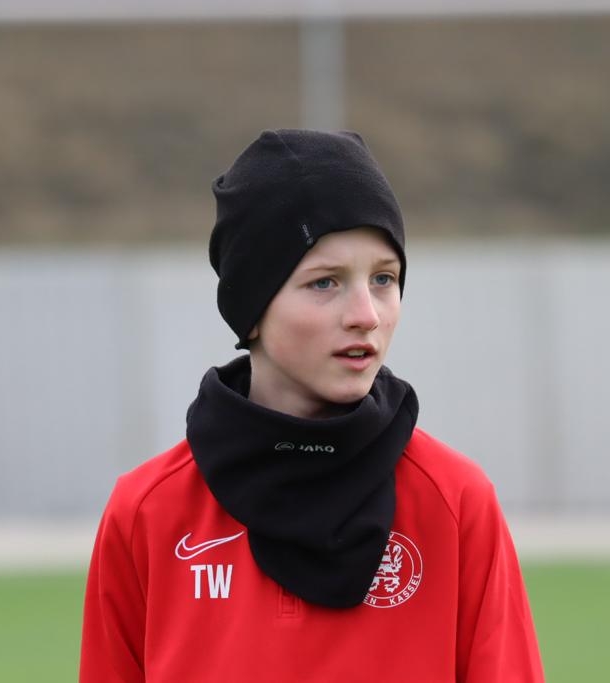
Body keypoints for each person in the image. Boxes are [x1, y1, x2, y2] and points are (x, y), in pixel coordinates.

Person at [79, 129, 544, 682]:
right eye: (325, 283)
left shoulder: (455, 502)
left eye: (384, 278)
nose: (366, 314)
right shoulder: (148, 512)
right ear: (252, 308)